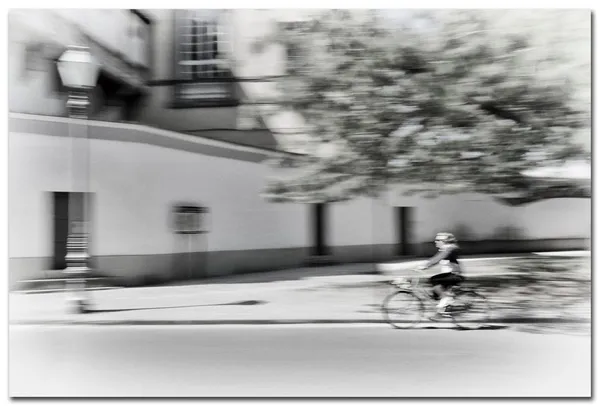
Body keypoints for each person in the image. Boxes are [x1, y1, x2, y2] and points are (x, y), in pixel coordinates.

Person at [417, 232, 464, 318]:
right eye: (436, 240)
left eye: (438, 240)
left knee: (434, 280)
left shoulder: (450, 249)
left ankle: (445, 301)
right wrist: (425, 265)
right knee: (435, 291)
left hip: (455, 276)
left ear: (445, 241)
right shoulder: (445, 249)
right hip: (449, 275)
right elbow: (436, 259)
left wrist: (425, 266)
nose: (436, 242)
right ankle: (443, 309)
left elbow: (438, 258)